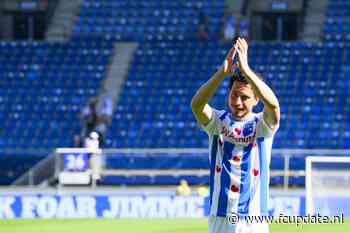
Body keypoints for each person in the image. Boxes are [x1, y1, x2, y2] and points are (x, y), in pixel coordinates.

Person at [191, 38, 280, 233]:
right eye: (234, 95)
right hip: (220, 217)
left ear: (257, 99)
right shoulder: (217, 122)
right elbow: (196, 105)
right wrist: (222, 73)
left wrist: (246, 69)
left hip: (253, 219)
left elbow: (273, 105)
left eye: (245, 97)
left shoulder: (263, 125)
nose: (238, 102)